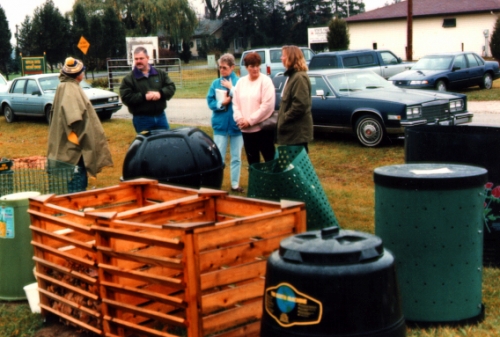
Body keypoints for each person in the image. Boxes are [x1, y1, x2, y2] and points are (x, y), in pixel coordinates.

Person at [47, 57, 113, 190]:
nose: (83, 73)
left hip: (71, 144)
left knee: (73, 177)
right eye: (83, 71)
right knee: (77, 179)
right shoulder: (70, 89)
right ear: (77, 74)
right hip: (74, 148)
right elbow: (75, 120)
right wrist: (82, 142)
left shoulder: (64, 86)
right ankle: (76, 207)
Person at [206, 54, 244, 193]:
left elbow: (244, 99)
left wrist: (232, 88)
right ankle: (217, 184)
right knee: (218, 157)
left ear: (233, 67)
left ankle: (235, 184)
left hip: (236, 126)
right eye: (220, 67)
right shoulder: (215, 83)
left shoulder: (240, 82)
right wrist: (222, 103)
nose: (222, 70)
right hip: (220, 126)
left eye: (225, 68)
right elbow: (210, 102)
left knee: (236, 157)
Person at [120, 46, 176, 133]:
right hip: (142, 119)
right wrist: (144, 97)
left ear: (147, 58)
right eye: (136, 59)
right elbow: (126, 97)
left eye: (141, 58)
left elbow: (171, 87)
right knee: (147, 145)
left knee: (165, 143)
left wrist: (160, 94)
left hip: (161, 117)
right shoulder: (128, 79)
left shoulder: (160, 74)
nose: (138, 61)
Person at [233, 52, 276, 165]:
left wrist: (250, 121)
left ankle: (273, 183)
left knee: (270, 161)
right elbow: (235, 104)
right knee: (253, 163)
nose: (255, 69)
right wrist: (240, 119)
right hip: (246, 131)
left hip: (263, 130)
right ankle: (255, 183)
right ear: (246, 67)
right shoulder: (241, 82)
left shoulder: (266, 81)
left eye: (257, 65)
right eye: (252, 66)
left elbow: (267, 106)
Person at [276, 45, 313, 152]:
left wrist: (284, 118)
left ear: (290, 58)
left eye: (283, 56)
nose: (281, 58)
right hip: (293, 132)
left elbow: (300, 105)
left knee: (298, 166)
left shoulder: (299, 77)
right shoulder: (293, 76)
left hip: (297, 133)